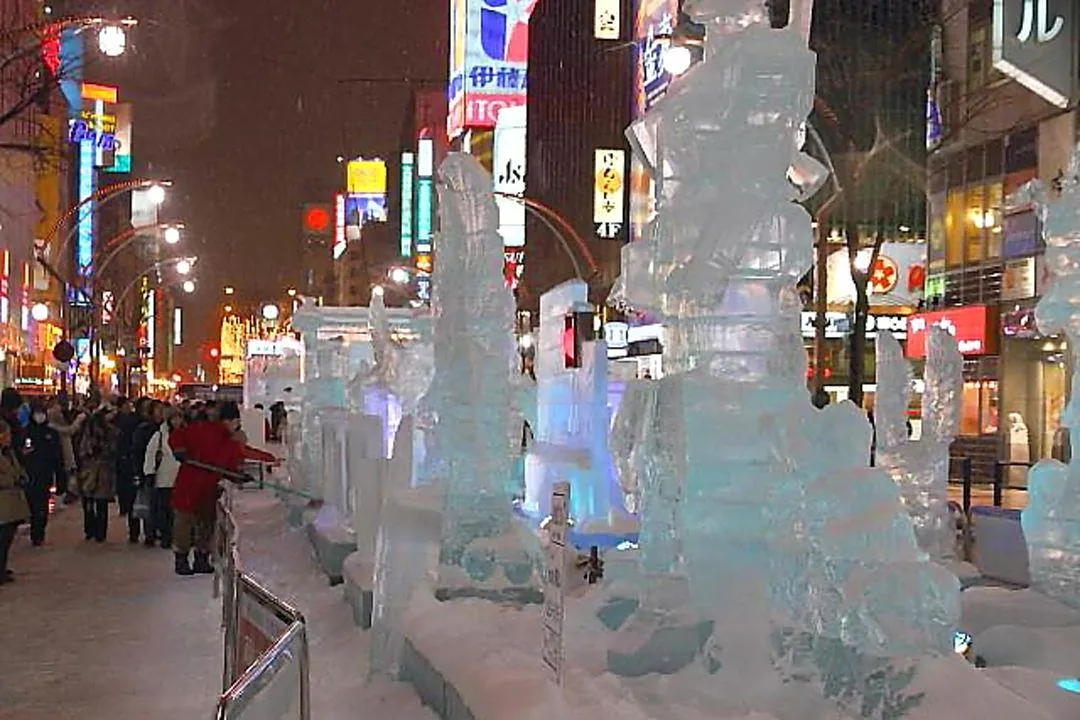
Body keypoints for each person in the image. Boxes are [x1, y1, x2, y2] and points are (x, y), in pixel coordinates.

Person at [169, 400, 246, 576]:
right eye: (235, 421)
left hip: (209, 489)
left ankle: (201, 559)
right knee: (184, 525)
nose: (237, 425)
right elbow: (177, 436)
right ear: (228, 420)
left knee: (206, 525)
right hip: (189, 485)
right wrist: (179, 449)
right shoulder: (203, 430)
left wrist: (237, 475)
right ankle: (181, 559)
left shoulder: (230, 442)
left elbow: (229, 465)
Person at [21, 402, 63, 546]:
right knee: (32, 506)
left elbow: (58, 458)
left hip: (45, 475)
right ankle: (35, 531)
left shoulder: (51, 434)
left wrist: (60, 477)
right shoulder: (25, 432)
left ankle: (40, 531)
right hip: (29, 475)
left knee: (43, 506)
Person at [144, 405, 183, 549]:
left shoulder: (185, 434)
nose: (177, 421)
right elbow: (150, 454)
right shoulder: (159, 436)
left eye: (179, 417)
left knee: (178, 512)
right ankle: (166, 535)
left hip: (181, 479)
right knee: (165, 510)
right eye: (174, 418)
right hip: (164, 478)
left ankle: (176, 536)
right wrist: (149, 472)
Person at [77, 408, 118, 542]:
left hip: (94, 471)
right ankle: (97, 531)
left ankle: (94, 530)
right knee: (98, 503)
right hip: (96, 470)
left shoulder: (107, 432)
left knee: (94, 502)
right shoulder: (91, 432)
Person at [130, 400, 164, 545]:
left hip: (162, 471)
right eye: (158, 410)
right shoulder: (144, 430)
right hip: (147, 470)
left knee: (157, 503)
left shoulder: (164, 429)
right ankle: (147, 532)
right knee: (147, 501)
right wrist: (138, 471)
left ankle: (155, 531)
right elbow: (137, 452)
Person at [0, 418, 29, 585]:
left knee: (8, 536)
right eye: (7, 434)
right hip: (3, 500)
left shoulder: (9, 453)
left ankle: (2, 567)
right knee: (2, 537)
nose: (9, 437)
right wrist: (10, 480)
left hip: (11, 501)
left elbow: (16, 470)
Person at [113, 397, 141, 542]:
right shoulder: (125, 421)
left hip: (127, 460)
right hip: (126, 460)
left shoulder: (129, 421)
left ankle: (132, 522)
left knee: (129, 493)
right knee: (129, 492)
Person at [47, 400, 85, 503]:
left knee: (70, 473)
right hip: (63, 455)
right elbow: (71, 430)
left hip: (67, 453)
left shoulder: (58, 427)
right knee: (67, 474)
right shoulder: (54, 427)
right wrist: (79, 419)